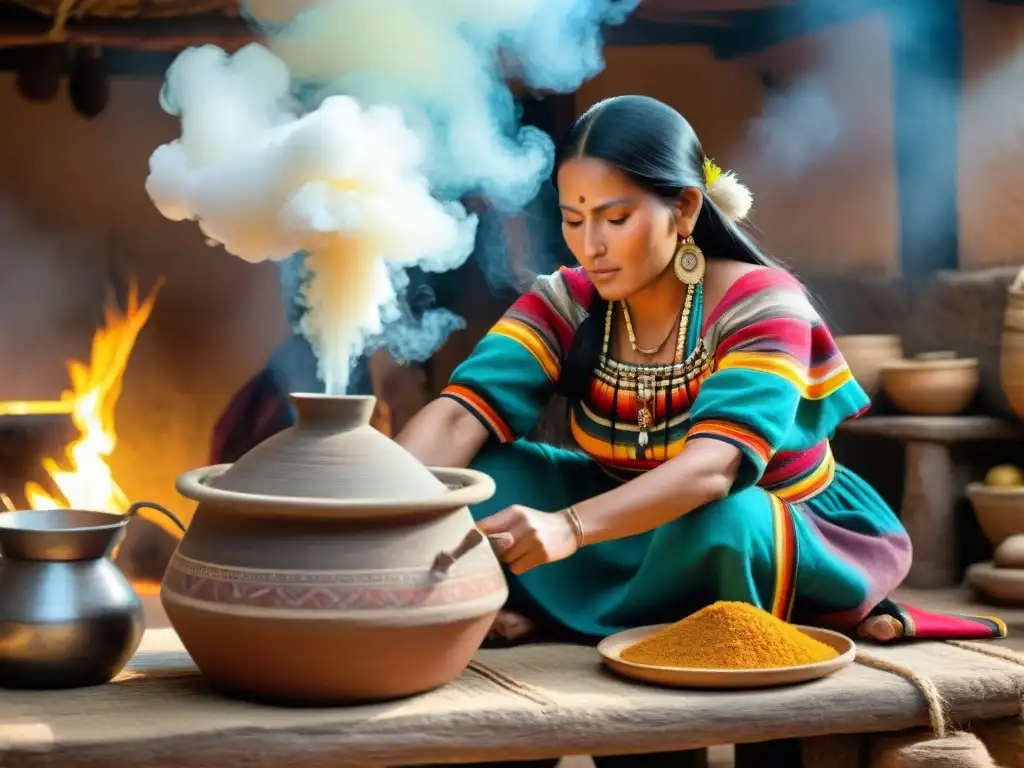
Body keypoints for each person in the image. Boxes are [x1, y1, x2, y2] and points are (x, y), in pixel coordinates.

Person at [397, 93, 921, 644]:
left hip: (754, 523)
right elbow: (458, 418)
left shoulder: (763, 304)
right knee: (479, 476)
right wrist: (371, 513)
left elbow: (712, 471)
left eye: (616, 218)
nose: (591, 245)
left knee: (726, 520)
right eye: (573, 220)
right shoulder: (568, 300)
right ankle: (584, 609)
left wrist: (569, 527)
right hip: (615, 517)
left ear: (687, 209)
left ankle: (558, 611)